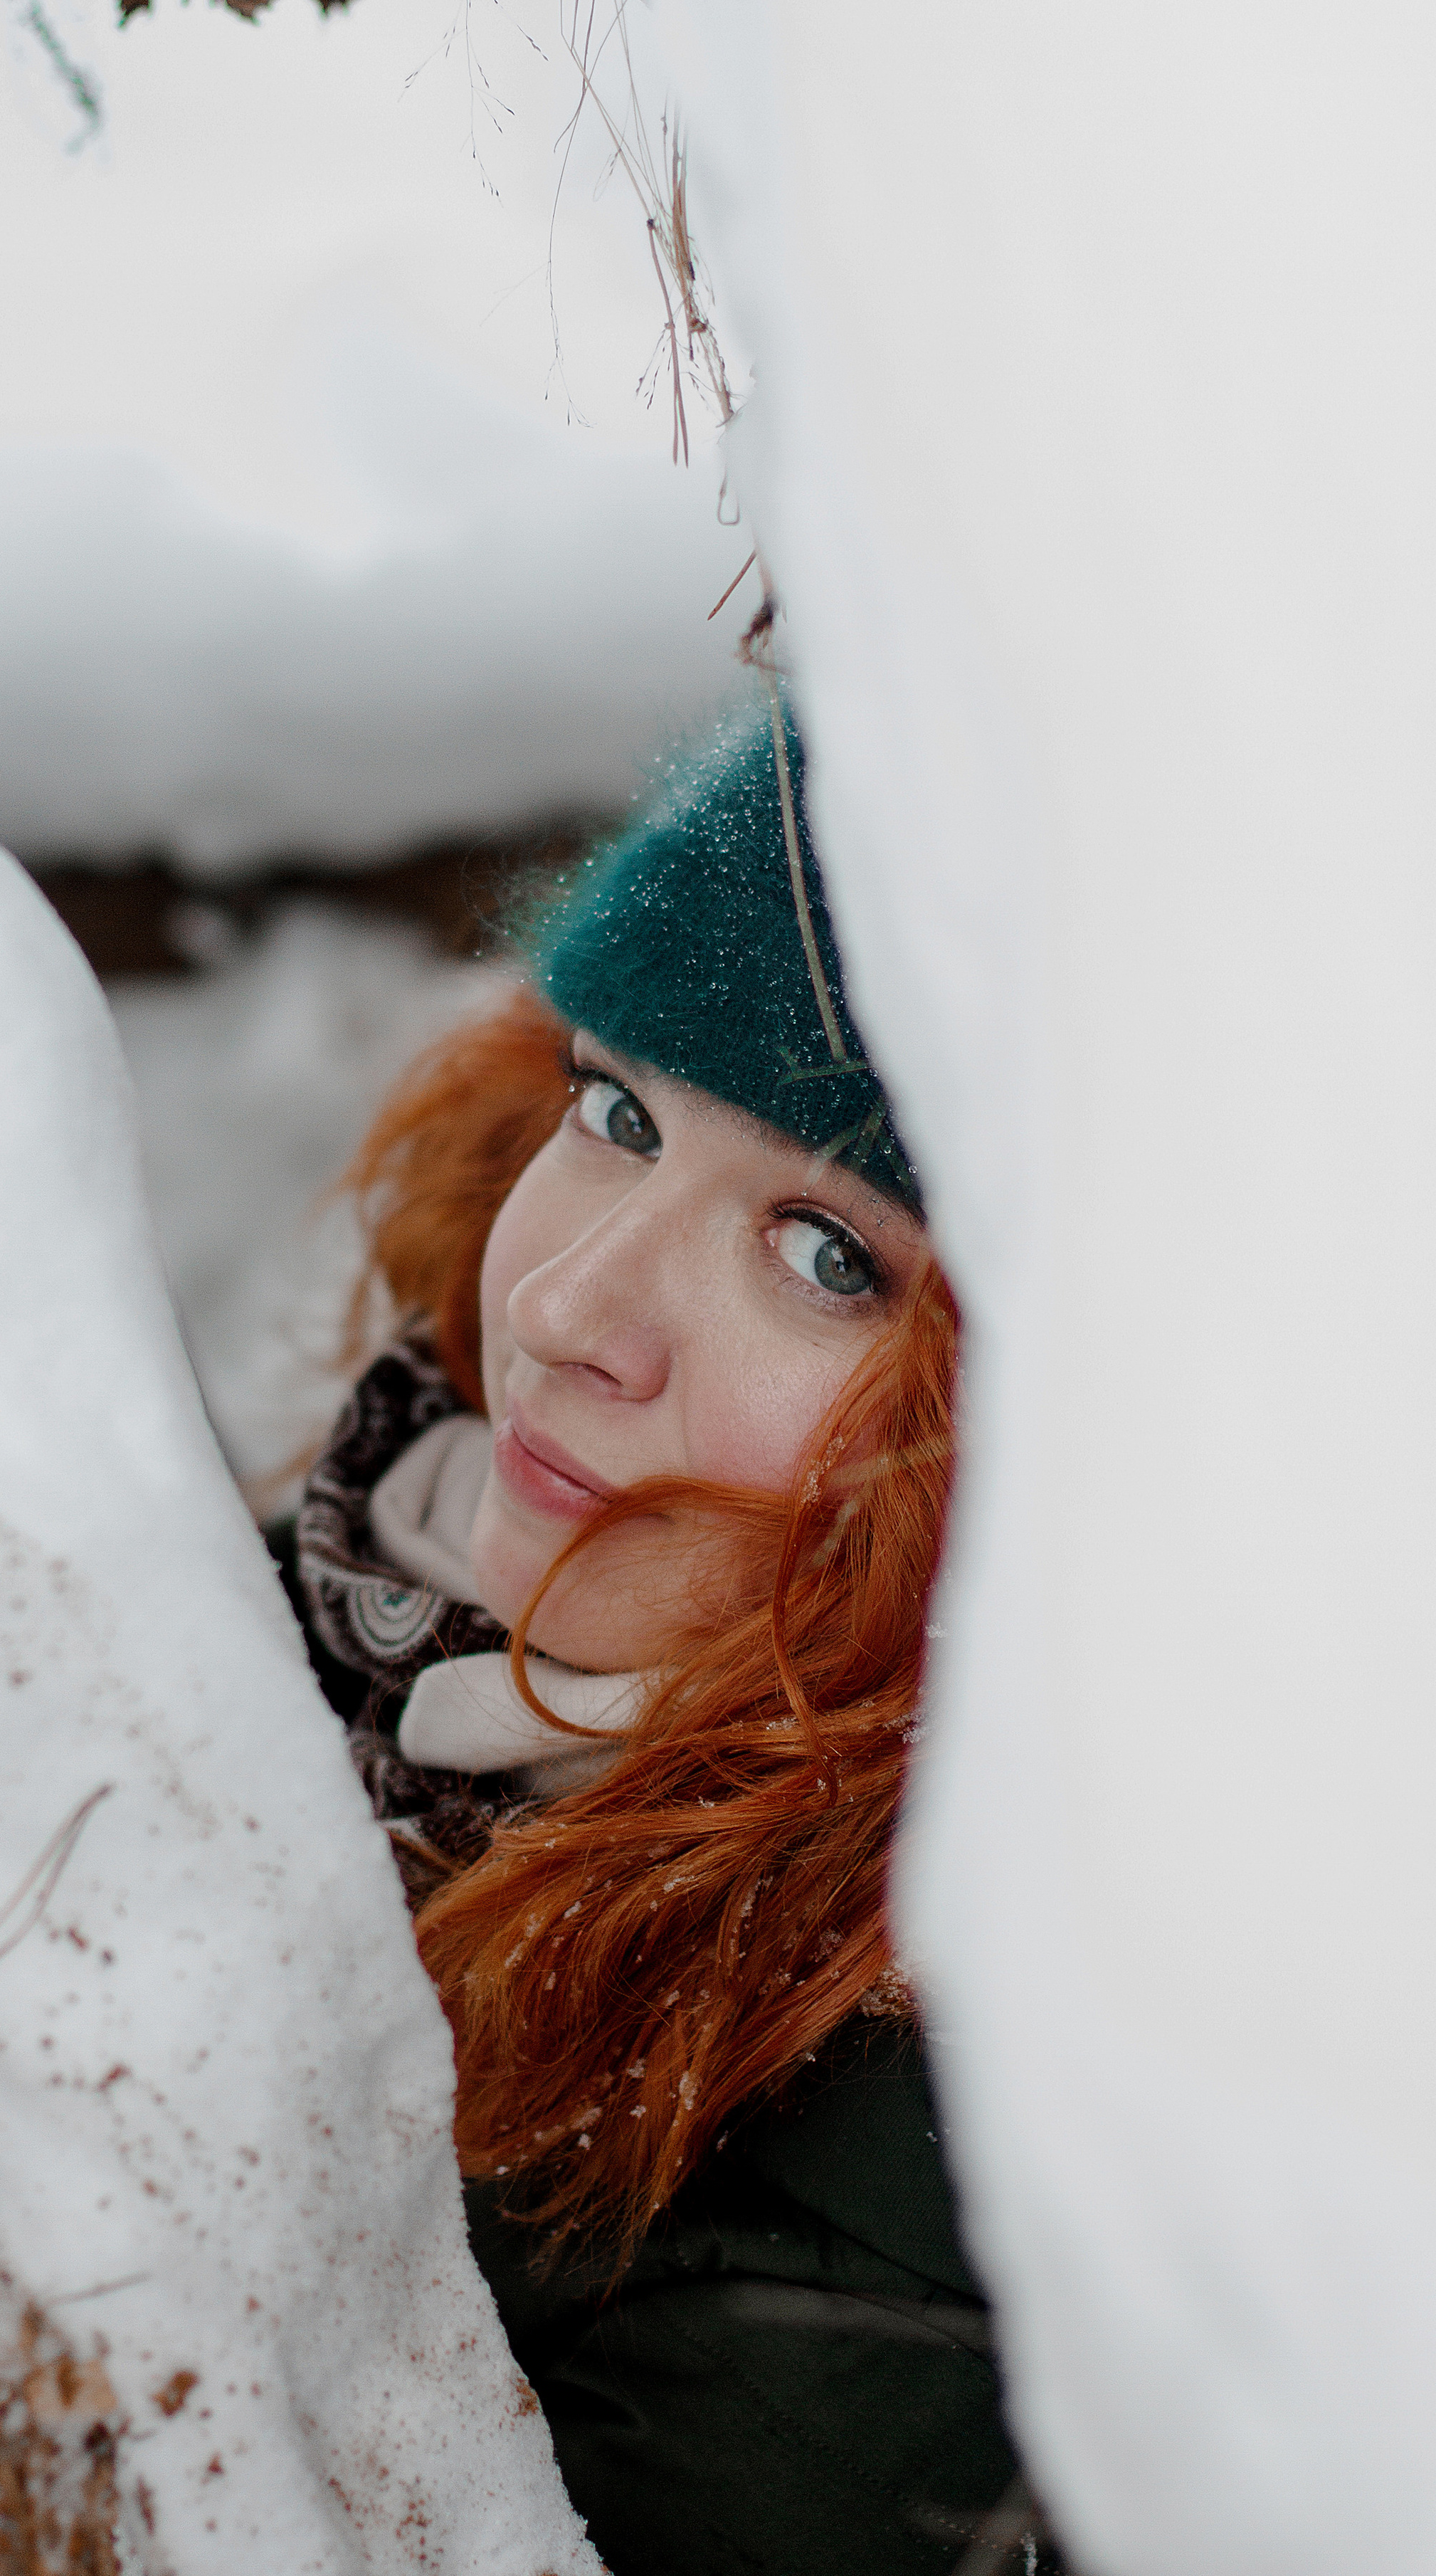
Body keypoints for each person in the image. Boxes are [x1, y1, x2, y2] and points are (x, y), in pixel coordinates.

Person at [266, 705, 1060, 2575]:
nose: (562, 1303)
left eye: (828, 1254)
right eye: (614, 1110)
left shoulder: (852, 2281)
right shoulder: (395, 1572)